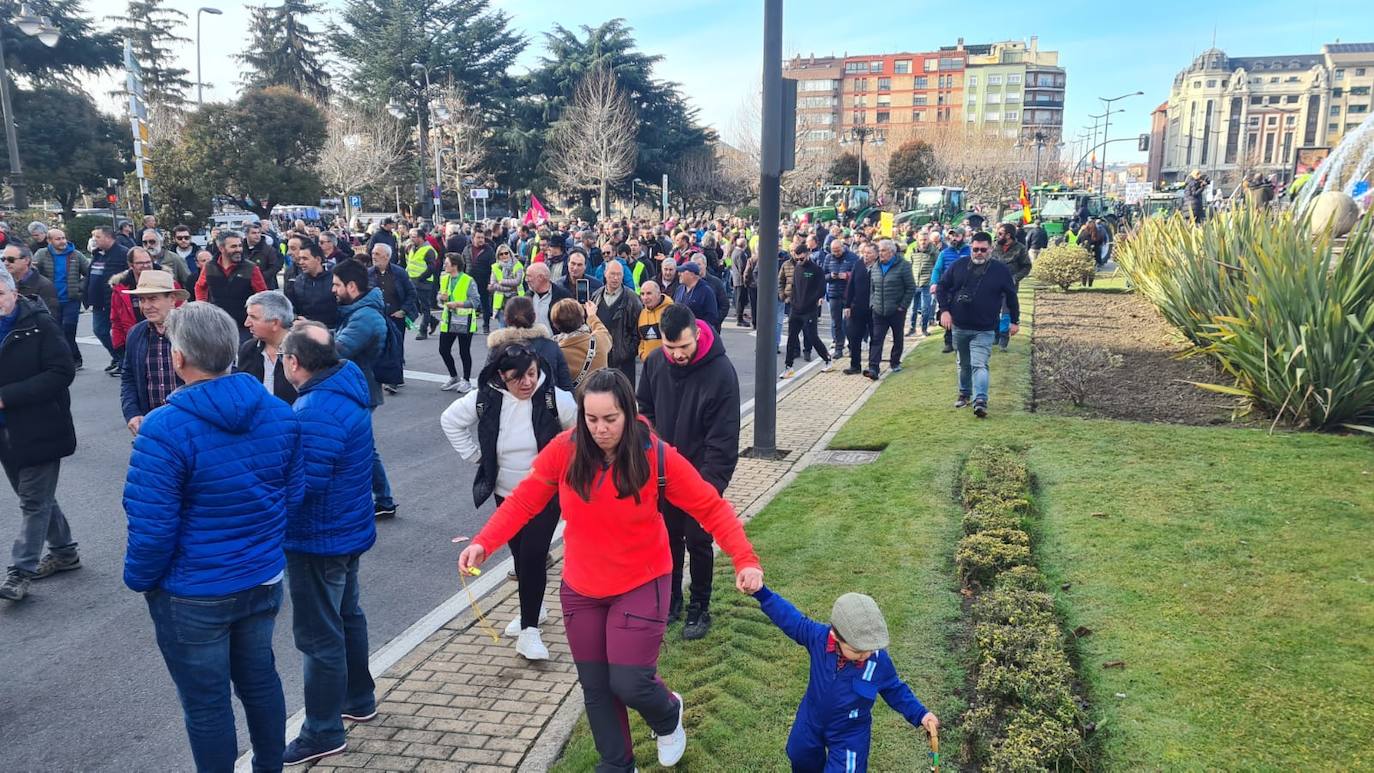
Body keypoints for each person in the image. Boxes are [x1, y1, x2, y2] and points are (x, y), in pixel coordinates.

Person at [458, 369, 764, 772]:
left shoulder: (655, 455)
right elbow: (523, 502)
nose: (600, 429)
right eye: (591, 419)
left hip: (643, 580)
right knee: (597, 687)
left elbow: (710, 506)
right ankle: (617, 764)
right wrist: (484, 541)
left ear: (629, 412)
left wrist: (745, 560)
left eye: (611, 419)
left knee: (630, 681)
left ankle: (668, 713)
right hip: (582, 587)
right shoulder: (564, 450)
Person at [122, 302, 302, 772]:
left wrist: (140, 579)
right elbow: (294, 492)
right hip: (260, 576)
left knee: (206, 704)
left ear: (179, 358)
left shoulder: (163, 428)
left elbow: (151, 527)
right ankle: (270, 766)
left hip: (193, 591)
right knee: (260, 680)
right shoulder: (278, 413)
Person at [277, 323, 379, 765]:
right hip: (347, 528)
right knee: (347, 616)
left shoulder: (315, 409)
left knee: (319, 636)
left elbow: (305, 483)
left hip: (319, 537)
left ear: (294, 363)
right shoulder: (344, 389)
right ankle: (358, 697)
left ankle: (322, 730)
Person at [441, 344, 576, 661]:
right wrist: (477, 458)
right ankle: (536, 607)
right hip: (506, 492)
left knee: (533, 555)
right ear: (502, 376)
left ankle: (529, 632)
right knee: (519, 556)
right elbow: (450, 420)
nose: (527, 382)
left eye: (532, 373)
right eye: (517, 378)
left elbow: (579, 434)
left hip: (545, 493)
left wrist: (564, 470)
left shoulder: (556, 399)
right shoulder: (486, 398)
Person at [751, 586, 939, 771]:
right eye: (858, 650)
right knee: (800, 755)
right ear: (835, 635)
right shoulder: (818, 638)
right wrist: (762, 593)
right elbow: (792, 620)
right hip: (811, 719)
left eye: (871, 648)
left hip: (849, 732)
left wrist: (920, 714)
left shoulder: (878, 661)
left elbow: (895, 690)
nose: (866, 654)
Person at [637, 304, 740, 640]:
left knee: (698, 540)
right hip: (662, 474)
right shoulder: (654, 363)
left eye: (683, 347)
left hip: (700, 476)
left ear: (696, 334)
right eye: (670, 348)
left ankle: (700, 606)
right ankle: (671, 601)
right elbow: (644, 411)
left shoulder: (721, 372)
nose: (677, 354)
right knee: (667, 540)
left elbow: (723, 438)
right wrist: (650, 452)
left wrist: (709, 487)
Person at [0, 263, 78, 601]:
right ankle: (64, 552)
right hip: (7, 434)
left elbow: (61, 372)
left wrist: (8, 397)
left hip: (41, 426)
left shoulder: (39, 324)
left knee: (33, 500)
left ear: (13, 293)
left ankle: (20, 572)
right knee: (36, 497)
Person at [331, 260, 396, 520]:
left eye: (336, 285)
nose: (333, 290)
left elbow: (337, 350)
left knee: (360, 449)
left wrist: (308, 336)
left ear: (352, 286)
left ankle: (382, 500)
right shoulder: (356, 311)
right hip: (357, 388)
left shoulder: (365, 316)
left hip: (360, 389)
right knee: (363, 447)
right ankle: (383, 500)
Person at [936, 231, 1020, 418]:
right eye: (975, 249)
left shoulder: (1000, 270)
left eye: (983, 249)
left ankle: (980, 400)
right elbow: (941, 286)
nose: (979, 253)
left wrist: (1014, 321)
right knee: (963, 363)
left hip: (985, 328)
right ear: (970, 248)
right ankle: (964, 393)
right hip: (959, 325)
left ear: (990, 249)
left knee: (979, 364)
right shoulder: (959, 266)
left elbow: (1012, 297)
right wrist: (944, 310)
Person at [119, 271, 188, 436]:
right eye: (142, 300)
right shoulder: (136, 333)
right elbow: (128, 377)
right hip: (152, 424)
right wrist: (132, 412)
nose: (146, 306)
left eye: (153, 298)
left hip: (189, 423)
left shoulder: (192, 330)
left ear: (172, 299)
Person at [484, 295, 575, 392]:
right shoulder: (551, 346)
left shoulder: (497, 349)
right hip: (547, 403)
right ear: (534, 317)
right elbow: (566, 386)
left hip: (509, 405)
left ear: (506, 319)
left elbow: (486, 386)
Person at [196, 231, 268, 344]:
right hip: (217, 324)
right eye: (233, 246)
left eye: (240, 245)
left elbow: (263, 296)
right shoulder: (209, 267)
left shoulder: (251, 268)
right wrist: (202, 307)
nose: (238, 249)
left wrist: (255, 316)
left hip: (243, 326)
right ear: (221, 248)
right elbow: (200, 287)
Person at [32, 227, 89, 368]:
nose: (62, 241)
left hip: (71, 300)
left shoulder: (76, 255)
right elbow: (33, 273)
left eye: (63, 238)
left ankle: (75, 359)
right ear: (49, 241)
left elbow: (89, 273)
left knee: (69, 329)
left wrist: (80, 287)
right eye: (58, 239)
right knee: (55, 331)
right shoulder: (41, 254)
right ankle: (63, 359)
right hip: (50, 301)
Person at [368, 243, 417, 394]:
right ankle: (381, 377)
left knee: (395, 347)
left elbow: (411, 293)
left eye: (377, 254)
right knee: (379, 347)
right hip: (376, 317)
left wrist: (404, 310)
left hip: (396, 316)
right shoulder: (368, 273)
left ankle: (394, 381)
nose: (373, 256)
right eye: (373, 253)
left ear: (387, 256)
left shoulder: (399, 273)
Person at [866, 239, 916, 380]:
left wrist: (902, 306)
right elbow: (872, 288)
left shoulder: (903, 266)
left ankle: (895, 362)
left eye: (883, 251)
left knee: (897, 337)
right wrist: (873, 303)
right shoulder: (875, 266)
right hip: (879, 310)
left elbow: (911, 287)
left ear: (892, 252)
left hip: (896, 310)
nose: (880, 253)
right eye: (879, 251)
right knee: (876, 339)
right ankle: (873, 367)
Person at [238, 290, 298, 404]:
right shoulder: (248, 349)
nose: (246, 323)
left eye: (253, 317)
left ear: (275, 323)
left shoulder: (302, 351)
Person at [782, 244, 832, 379]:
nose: (799, 261)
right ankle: (788, 366)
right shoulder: (797, 268)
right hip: (795, 309)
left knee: (812, 337)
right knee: (791, 338)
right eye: (796, 259)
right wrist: (791, 299)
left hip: (809, 310)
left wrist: (812, 302)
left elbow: (821, 290)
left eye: (801, 258)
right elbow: (794, 286)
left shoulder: (816, 270)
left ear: (808, 254)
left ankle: (827, 359)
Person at [590, 260, 642, 388]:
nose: (615, 278)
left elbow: (638, 332)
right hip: (600, 358)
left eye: (619, 274)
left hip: (623, 363)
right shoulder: (596, 296)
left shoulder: (632, 299)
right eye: (612, 274)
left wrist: (626, 353)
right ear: (605, 274)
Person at [110, 248, 163, 365]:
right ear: (131, 265)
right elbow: (115, 320)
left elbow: (180, 311)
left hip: (164, 341)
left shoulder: (167, 282)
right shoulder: (121, 288)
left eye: (148, 262)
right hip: (134, 343)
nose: (145, 266)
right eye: (140, 263)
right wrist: (119, 345)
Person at [87, 226, 130, 373]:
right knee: (99, 330)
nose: (94, 240)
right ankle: (117, 357)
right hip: (98, 302)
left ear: (108, 237)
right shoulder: (98, 254)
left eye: (97, 237)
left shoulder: (123, 253)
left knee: (118, 332)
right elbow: (90, 275)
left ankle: (123, 359)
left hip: (113, 301)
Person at [436, 253, 481, 393]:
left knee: (464, 351)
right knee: (443, 349)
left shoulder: (468, 280)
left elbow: (475, 301)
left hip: (464, 320)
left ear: (455, 265)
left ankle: (466, 380)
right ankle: (454, 376)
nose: (444, 265)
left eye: (447, 263)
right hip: (448, 320)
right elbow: (440, 298)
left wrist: (458, 304)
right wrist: (441, 298)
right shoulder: (444, 278)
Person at [550, 298, 612, 387]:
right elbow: (601, 329)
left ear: (555, 325)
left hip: (574, 399)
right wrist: (592, 316)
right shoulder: (600, 340)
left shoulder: (555, 352)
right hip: (601, 396)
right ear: (582, 318)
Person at [990, 223, 1032, 350]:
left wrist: (1015, 278)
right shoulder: (995, 247)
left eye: (1001, 233)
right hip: (993, 284)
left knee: (1006, 311)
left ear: (1008, 235)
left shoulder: (1020, 248)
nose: (998, 235)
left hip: (1010, 286)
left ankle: (1004, 337)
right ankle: (995, 334)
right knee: (993, 310)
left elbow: (1027, 266)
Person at [930, 228, 970, 355]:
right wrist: (934, 283)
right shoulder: (944, 253)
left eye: (957, 236)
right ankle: (948, 342)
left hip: (967, 287)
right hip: (949, 288)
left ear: (963, 236)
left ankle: (965, 339)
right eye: (951, 236)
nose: (953, 238)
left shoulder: (970, 251)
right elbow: (937, 269)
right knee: (947, 313)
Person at [842, 242, 877, 376]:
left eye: (869, 253)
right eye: (864, 253)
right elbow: (850, 286)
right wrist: (847, 304)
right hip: (857, 307)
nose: (866, 256)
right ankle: (855, 365)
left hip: (874, 308)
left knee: (875, 337)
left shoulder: (879, 266)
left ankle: (873, 366)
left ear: (876, 254)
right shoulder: (858, 264)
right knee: (854, 337)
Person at [286, 240, 338, 327]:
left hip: (330, 330)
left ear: (318, 259)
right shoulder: (298, 281)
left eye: (305, 258)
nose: (301, 262)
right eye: (300, 259)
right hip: (304, 330)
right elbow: (292, 308)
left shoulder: (334, 280)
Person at [823, 237, 858, 360]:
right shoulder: (828, 258)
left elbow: (857, 274)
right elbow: (823, 275)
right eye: (834, 251)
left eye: (838, 250)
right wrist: (831, 276)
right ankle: (839, 347)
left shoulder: (852, 257)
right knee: (836, 322)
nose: (836, 253)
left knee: (850, 322)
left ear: (842, 247)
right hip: (833, 293)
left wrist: (847, 275)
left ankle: (853, 346)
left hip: (848, 293)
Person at [403, 228, 439, 340]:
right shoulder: (413, 248)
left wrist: (420, 278)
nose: (411, 239)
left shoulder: (428, 250)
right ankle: (433, 321)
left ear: (421, 238)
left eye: (414, 236)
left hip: (424, 282)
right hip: (412, 281)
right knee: (418, 307)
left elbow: (432, 267)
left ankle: (423, 331)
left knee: (425, 307)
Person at [4, 243, 58, 316]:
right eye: (3, 259)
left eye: (11, 259)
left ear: (26, 260)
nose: (6, 263)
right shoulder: (4, 284)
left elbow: (50, 318)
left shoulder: (44, 286)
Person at [463, 230, 498, 333]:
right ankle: (470, 326)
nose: (481, 240)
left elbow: (493, 267)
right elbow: (463, 264)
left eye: (482, 238)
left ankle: (486, 326)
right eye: (478, 237)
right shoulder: (467, 249)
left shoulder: (489, 250)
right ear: (473, 238)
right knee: (470, 304)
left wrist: (490, 282)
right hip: (469, 281)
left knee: (485, 304)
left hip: (483, 280)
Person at [670, 261, 720, 332]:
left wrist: (700, 329)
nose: (679, 274)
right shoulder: (679, 289)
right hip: (680, 332)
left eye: (682, 271)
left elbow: (711, 316)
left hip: (698, 333)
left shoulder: (706, 291)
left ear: (692, 274)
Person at [524, 262, 571, 332]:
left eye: (529, 276)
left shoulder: (563, 296)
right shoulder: (528, 296)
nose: (526, 279)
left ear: (540, 277)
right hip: (532, 341)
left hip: (556, 341)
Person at [488, 243, 525, 329]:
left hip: (516, 301)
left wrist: (501, 282)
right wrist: (509, 288)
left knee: (516, 328)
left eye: (506, 253)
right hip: (501, 303)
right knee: (503, 329)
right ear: (498, 256)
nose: (504, 255)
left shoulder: (518, 265)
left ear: (510, 253)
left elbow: (517, 282)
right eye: (501, 254)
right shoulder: (495, 267)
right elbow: (493, 284)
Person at [636, 280, 673, 364]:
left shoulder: (671, 310)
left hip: (668, 365)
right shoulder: (642, 314)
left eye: (649, 293)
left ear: (658, 294)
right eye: (642, 294)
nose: (645, 297)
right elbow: (642, 339)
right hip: (649, 365)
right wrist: (642, 355)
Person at [244, 221, 282, 290]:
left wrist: (260, 277)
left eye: (259, 233)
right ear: (246, 234)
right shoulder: (240, 248)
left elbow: (274, 267)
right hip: (244, 286)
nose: (257, 235)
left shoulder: (268, 250)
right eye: (253, 233)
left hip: (264, 286)